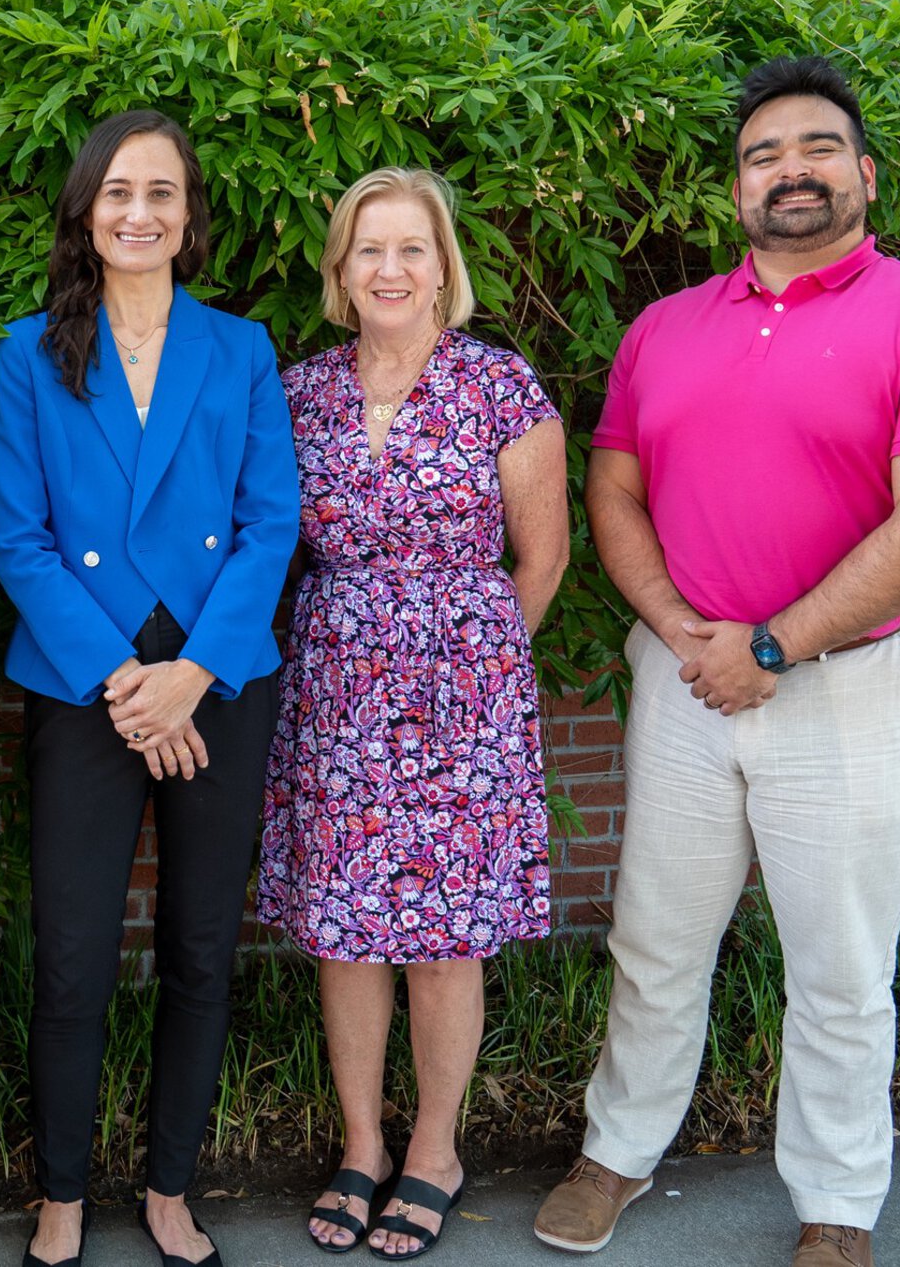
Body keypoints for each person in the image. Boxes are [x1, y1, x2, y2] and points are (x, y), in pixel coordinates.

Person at [531, 57, 900, 1267]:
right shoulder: (665, 327)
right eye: (761, 156)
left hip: (848, 685)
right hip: (685, 676)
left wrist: (772, 645)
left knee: (841, 963)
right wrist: (691, 634)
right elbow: (615, 487)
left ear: (863, 174)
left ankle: (837, 1207)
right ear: (734, 190)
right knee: (655, 936)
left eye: (813, 150)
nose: (787, 171)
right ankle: (617, 1155)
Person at [0, 109, 299, 1267]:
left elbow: (273, 523)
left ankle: (171, 1187)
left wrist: (194, 675)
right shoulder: (31, 352)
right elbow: (17, 541)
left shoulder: (242, 347)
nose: (138, 212)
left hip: (219, 680)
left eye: (161, 192)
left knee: (200, 949)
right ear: (84, 208)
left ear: (188, 216)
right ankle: (60, 1193)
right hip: (87, 686)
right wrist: (131, 683)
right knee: (72, 954)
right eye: (118, 190)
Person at [258, 167, 568, 1260]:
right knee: (344, 936)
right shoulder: (299, 394)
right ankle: (360, 1146)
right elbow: (272, 546)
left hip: (464, 706)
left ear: (444, 267)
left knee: (443, 942)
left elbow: (542, 560)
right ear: (341, 272)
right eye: (367, 250)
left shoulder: (500, 387)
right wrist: (372, 658)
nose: (390, 269)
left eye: (411, 249)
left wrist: (463, 667)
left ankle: (434, 1149)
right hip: (334, 696)